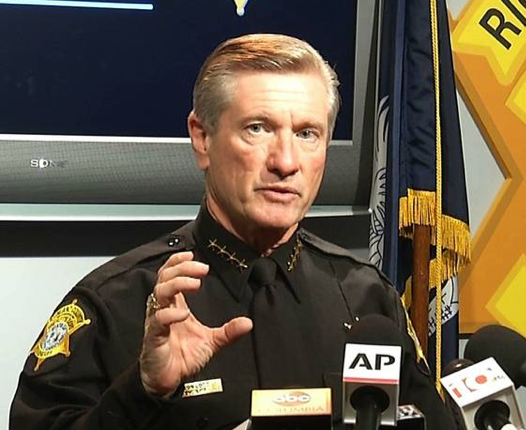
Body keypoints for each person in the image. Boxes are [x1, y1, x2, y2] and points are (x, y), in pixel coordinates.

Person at [10, 34, 455, 429]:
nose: (286, 162)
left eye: (307, 134)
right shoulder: (116, 303)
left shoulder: (367, 300)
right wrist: (142, 390)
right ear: (202, 138)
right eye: (258, 129)